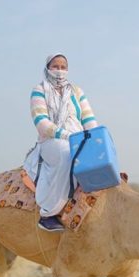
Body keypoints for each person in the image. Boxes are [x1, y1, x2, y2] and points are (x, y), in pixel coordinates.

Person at [23, 53, 99, 232]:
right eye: (55, 66)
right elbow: (41, 122)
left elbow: (88, 118)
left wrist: (95, 136)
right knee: (67, 154)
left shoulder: (76, 91)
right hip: (52, 141)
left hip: (78, 138)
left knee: (102, 156)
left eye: (63, 67)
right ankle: (48, 214)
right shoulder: (40, 89)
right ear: (48, 68)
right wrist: (65, 135)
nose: (59, 70)